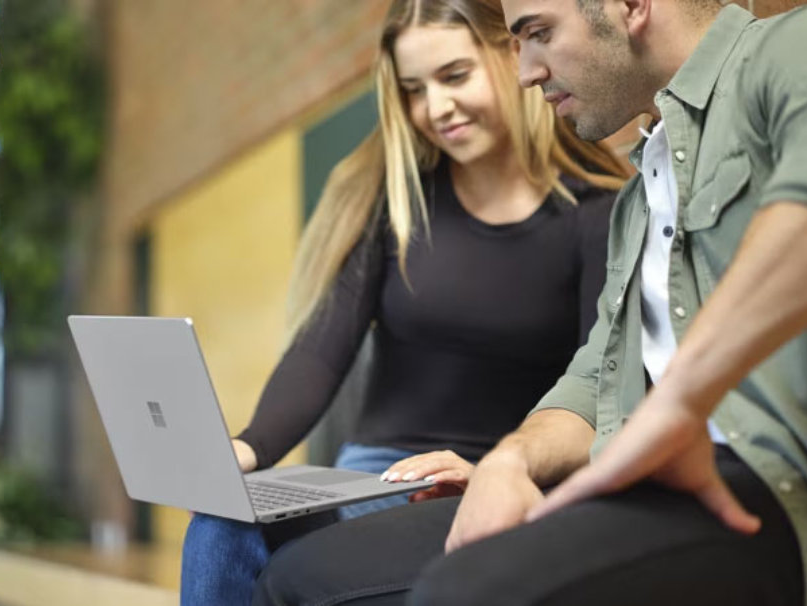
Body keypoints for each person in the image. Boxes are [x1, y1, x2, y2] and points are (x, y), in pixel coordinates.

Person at [251, 0, 807, 604]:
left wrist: (678, 403)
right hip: (639, 485)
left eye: (539, 32)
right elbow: (593, 380)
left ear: (631, 5)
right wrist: (508, 461)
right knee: (296, 578)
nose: (525, 71)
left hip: (776, 487)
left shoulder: (797, 45)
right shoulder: (639, 198)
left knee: (463, 590)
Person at [179, 0, 630, 603]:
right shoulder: (393, 199)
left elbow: (599, 386)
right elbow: (319, 350)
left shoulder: (598, 212)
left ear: (513, 53)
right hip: (374, 475)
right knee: (222, 523)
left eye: (454, 76)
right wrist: (245, 448)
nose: (435, 108)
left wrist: (508, 470)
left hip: (499, 478)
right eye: (414, 90)